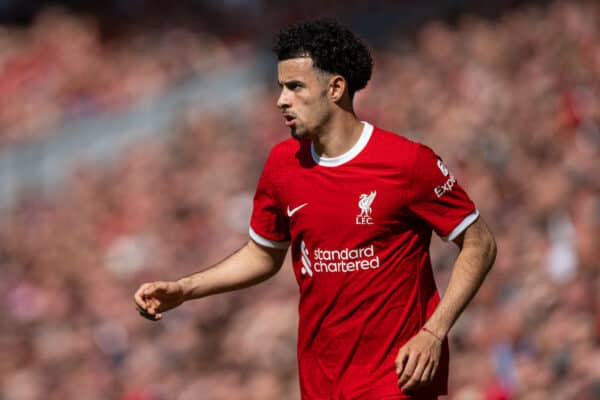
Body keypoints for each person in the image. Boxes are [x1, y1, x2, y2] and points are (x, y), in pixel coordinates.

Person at [134, 18, 497, 400]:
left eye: (294, 87)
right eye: (280, 88)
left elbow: (480, 243)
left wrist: (433, 332)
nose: (281, 100)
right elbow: (263, 254)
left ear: (335, 87)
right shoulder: (282, 164)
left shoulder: (407, 163)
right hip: (321, 383)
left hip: (395, 381)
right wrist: (184, 289)